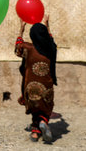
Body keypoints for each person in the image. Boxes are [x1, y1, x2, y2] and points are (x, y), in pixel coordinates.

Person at [15, 15, 57, 143]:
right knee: (45, 106)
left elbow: (17, 48)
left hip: (31, 86)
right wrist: (47, 26)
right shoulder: (51, 49)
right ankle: (43, 121)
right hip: (47, 86)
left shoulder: (28, 49)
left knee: (34, 106)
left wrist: (21, 30)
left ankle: (35, 131)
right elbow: (50, 39)